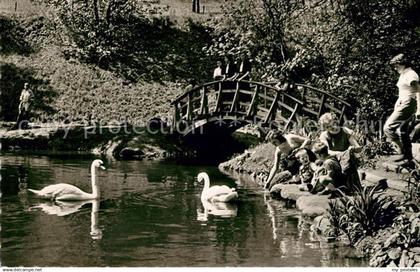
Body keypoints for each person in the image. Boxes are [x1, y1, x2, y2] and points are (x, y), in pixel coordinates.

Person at [384, 53, 420, 162]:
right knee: (403, 129)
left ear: (402, 63)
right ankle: (408, 154)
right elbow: (403, 92)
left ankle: (403, 151)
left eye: (396, 65)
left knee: (388, 128)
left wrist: (419, 109)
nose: (395, 68)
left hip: (408, 103)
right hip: (403, 103)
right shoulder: (404, 74)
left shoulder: (411, 75)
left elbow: (419, 90)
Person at [318, 112, 362, 193]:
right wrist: (342, 153)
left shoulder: (345, 131)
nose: (333, 127)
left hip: (346, 160)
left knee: (350, 159)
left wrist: (353, 148)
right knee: (328, 162)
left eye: (334, 124)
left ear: (337, 121)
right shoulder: (324, 135)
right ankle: (333, 185)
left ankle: (350, 186)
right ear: (325, 128)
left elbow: (358, 148)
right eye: (328, 127)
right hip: (334, 161)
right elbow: (327, 151)